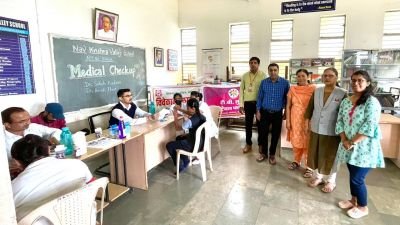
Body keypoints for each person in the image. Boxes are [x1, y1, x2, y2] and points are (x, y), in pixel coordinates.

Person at [334, 70, 384, 219]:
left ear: (367, 83)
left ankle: (363, 206)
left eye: (360, 80)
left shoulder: (371, 102)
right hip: (347, 146)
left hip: (364, 147)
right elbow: (340, 121)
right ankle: (353, 200)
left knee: (358, 178)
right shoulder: (346, 101)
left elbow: (370, 126)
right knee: (352, 175)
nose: (356, 83)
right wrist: (344, 139)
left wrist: (352, 141)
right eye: (353, 80)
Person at [11, 134, 93, 221]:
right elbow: (93, 185)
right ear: (49, 150)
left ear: (17, 162)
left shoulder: (12, 189)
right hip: (84, 219)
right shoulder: (77, 164)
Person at [305, 67, 347, 193]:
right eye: (325, 75)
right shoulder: (317, 91)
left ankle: (331, 181)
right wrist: (307, 124)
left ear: (336, 77)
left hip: (333, 131)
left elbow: (345, 113)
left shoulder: (342, 93)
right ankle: (318, 176)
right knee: (316, 153)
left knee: (331, 156)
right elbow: (309, 108)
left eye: (330, 75)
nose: (327, 78)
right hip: (316, 128)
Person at [256, 63, 290, 165]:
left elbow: (287, 98)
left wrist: (285, 112)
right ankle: (264, 154)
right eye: (271, 70)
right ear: (268, 71)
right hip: (265, 112)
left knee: (275, 135)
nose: (273, 72)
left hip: (277, 113)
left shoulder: (284, 83)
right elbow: (260, 97)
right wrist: (258, 111)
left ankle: (272, 155)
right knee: (263, 133)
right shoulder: (264, 82)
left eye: (275, 70)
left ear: (278, 71)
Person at [286, 69, 316, 177]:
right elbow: (288, 106)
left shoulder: (313, 89)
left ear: (308, 77)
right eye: (298, 76)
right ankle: (296, 161)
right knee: (296, 141)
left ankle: (309, 167)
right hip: (295, 119)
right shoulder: (292, 89)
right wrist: (288, 121)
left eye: (303, 76)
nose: (301, 78)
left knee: (308, 142)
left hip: (309, 119)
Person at [166, 98, 206, 173]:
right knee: (178, 138)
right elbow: (190, 114)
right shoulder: (201, 115)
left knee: (169, 145)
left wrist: (175, 116)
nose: (187, 110)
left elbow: (177, 128)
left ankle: (179, 165)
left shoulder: (190, 121)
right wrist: (180, 109)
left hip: (193, 145)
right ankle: (185, 160)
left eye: (188, 108)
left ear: (193, 108)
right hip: (201, 143)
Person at [239, 57, 266, 154]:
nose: (253, 64)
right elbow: (241, 90)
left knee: (260, 125)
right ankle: (248, 144)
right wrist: (241, 104)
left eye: (255, 63)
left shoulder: (263, 75)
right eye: (251, 63)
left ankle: (260, 144)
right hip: (248, 103)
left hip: (259, 104)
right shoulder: (245, 76)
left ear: (258, 64)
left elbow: (265, 91)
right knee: (248, 125)